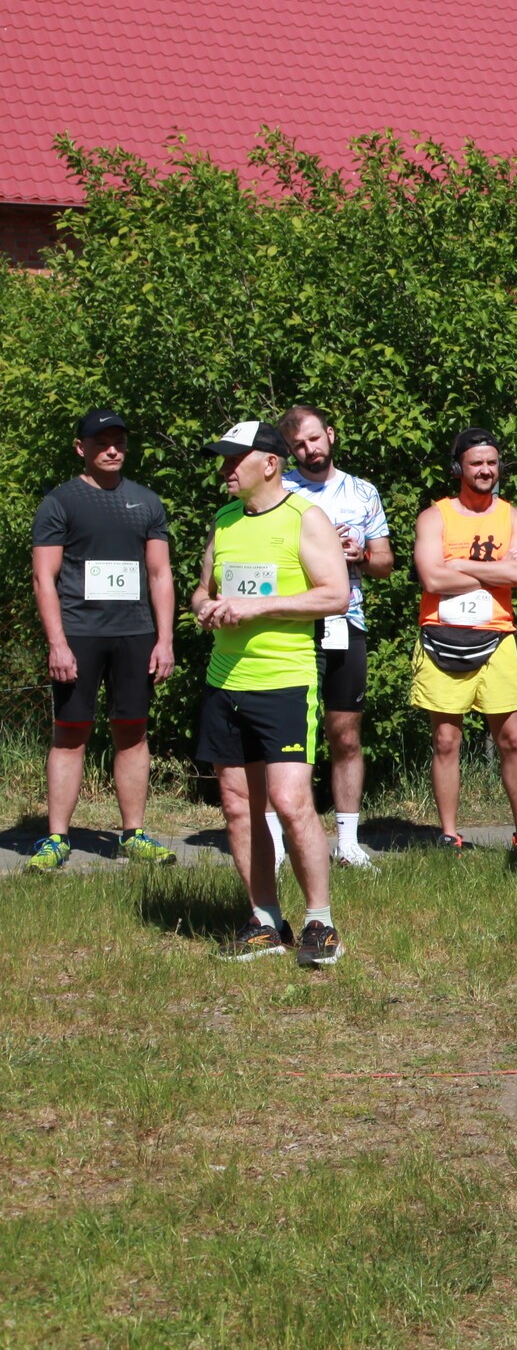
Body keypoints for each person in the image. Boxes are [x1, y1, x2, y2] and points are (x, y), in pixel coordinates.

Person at [192, 419, 351, 967]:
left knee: (289, 801)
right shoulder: (225, 520)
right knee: (239, 807)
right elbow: (202, 588)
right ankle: (264, 919)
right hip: (225, 682)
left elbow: (334, 595)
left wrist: (259, 607)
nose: (224, 470)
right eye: (222, 460)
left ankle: (320, 923)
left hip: (284, 680)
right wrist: (204, 607)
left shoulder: (306, 518)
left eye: (233, 460)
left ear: (269, 463)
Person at [28, 409, 177, 870]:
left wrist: (165, 640)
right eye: (101, 442)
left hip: (135, 634)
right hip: (79, 635)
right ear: (81, 448)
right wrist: (57, 642)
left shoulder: (146, 502)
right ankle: (57, 838)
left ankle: (134, 834)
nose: (112, 450)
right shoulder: (60, 502)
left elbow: (160, 574)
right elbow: (43, 577)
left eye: (119, 442)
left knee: (132, 731)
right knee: (70, 733)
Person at [409, 427, 517, 852]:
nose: (485, 470)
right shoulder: (434, 517)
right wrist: (495, 572)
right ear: (458, 468)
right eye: (476, 463)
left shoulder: (516, 519)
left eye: (492, 463)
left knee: (511, 738)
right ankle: (449, 834)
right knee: (446, 740)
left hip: (497, 636)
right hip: (440, 634)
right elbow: (431, 578)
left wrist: (458, 564)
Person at [280, 406, 395, 869]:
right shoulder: (281, 491)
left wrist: (360, 554)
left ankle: (347, 842)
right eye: (298, 445)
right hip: (292, 624)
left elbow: (385, 563)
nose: (309, 449)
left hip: (346, 622)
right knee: (289, 736)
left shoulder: (362, 492)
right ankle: (282, 841)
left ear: (330, 434)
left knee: (344, 733)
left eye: (314, 438)